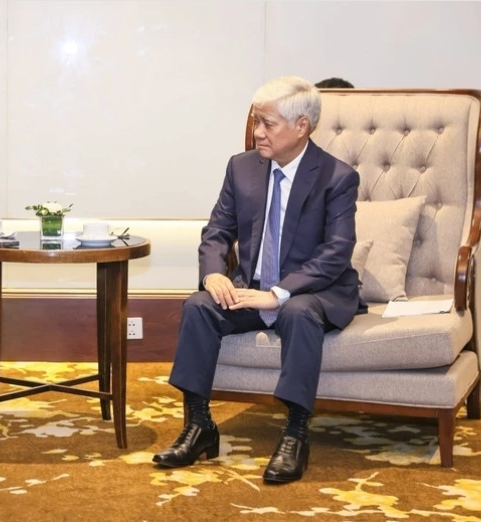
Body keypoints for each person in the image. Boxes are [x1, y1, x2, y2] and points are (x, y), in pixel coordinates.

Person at [152, 76, 364, 483]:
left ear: (301, 126)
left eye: (268, 123)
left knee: (299, 313)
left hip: (312, 290)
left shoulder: (336, 178)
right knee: (198, 306)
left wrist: (278, 293)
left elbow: (336, 253)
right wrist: (214, 272)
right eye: (256, 121)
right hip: (254, 285)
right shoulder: (242, 167)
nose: (257, 132)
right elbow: (217, 231)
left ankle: (295, 434)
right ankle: (199, 426)